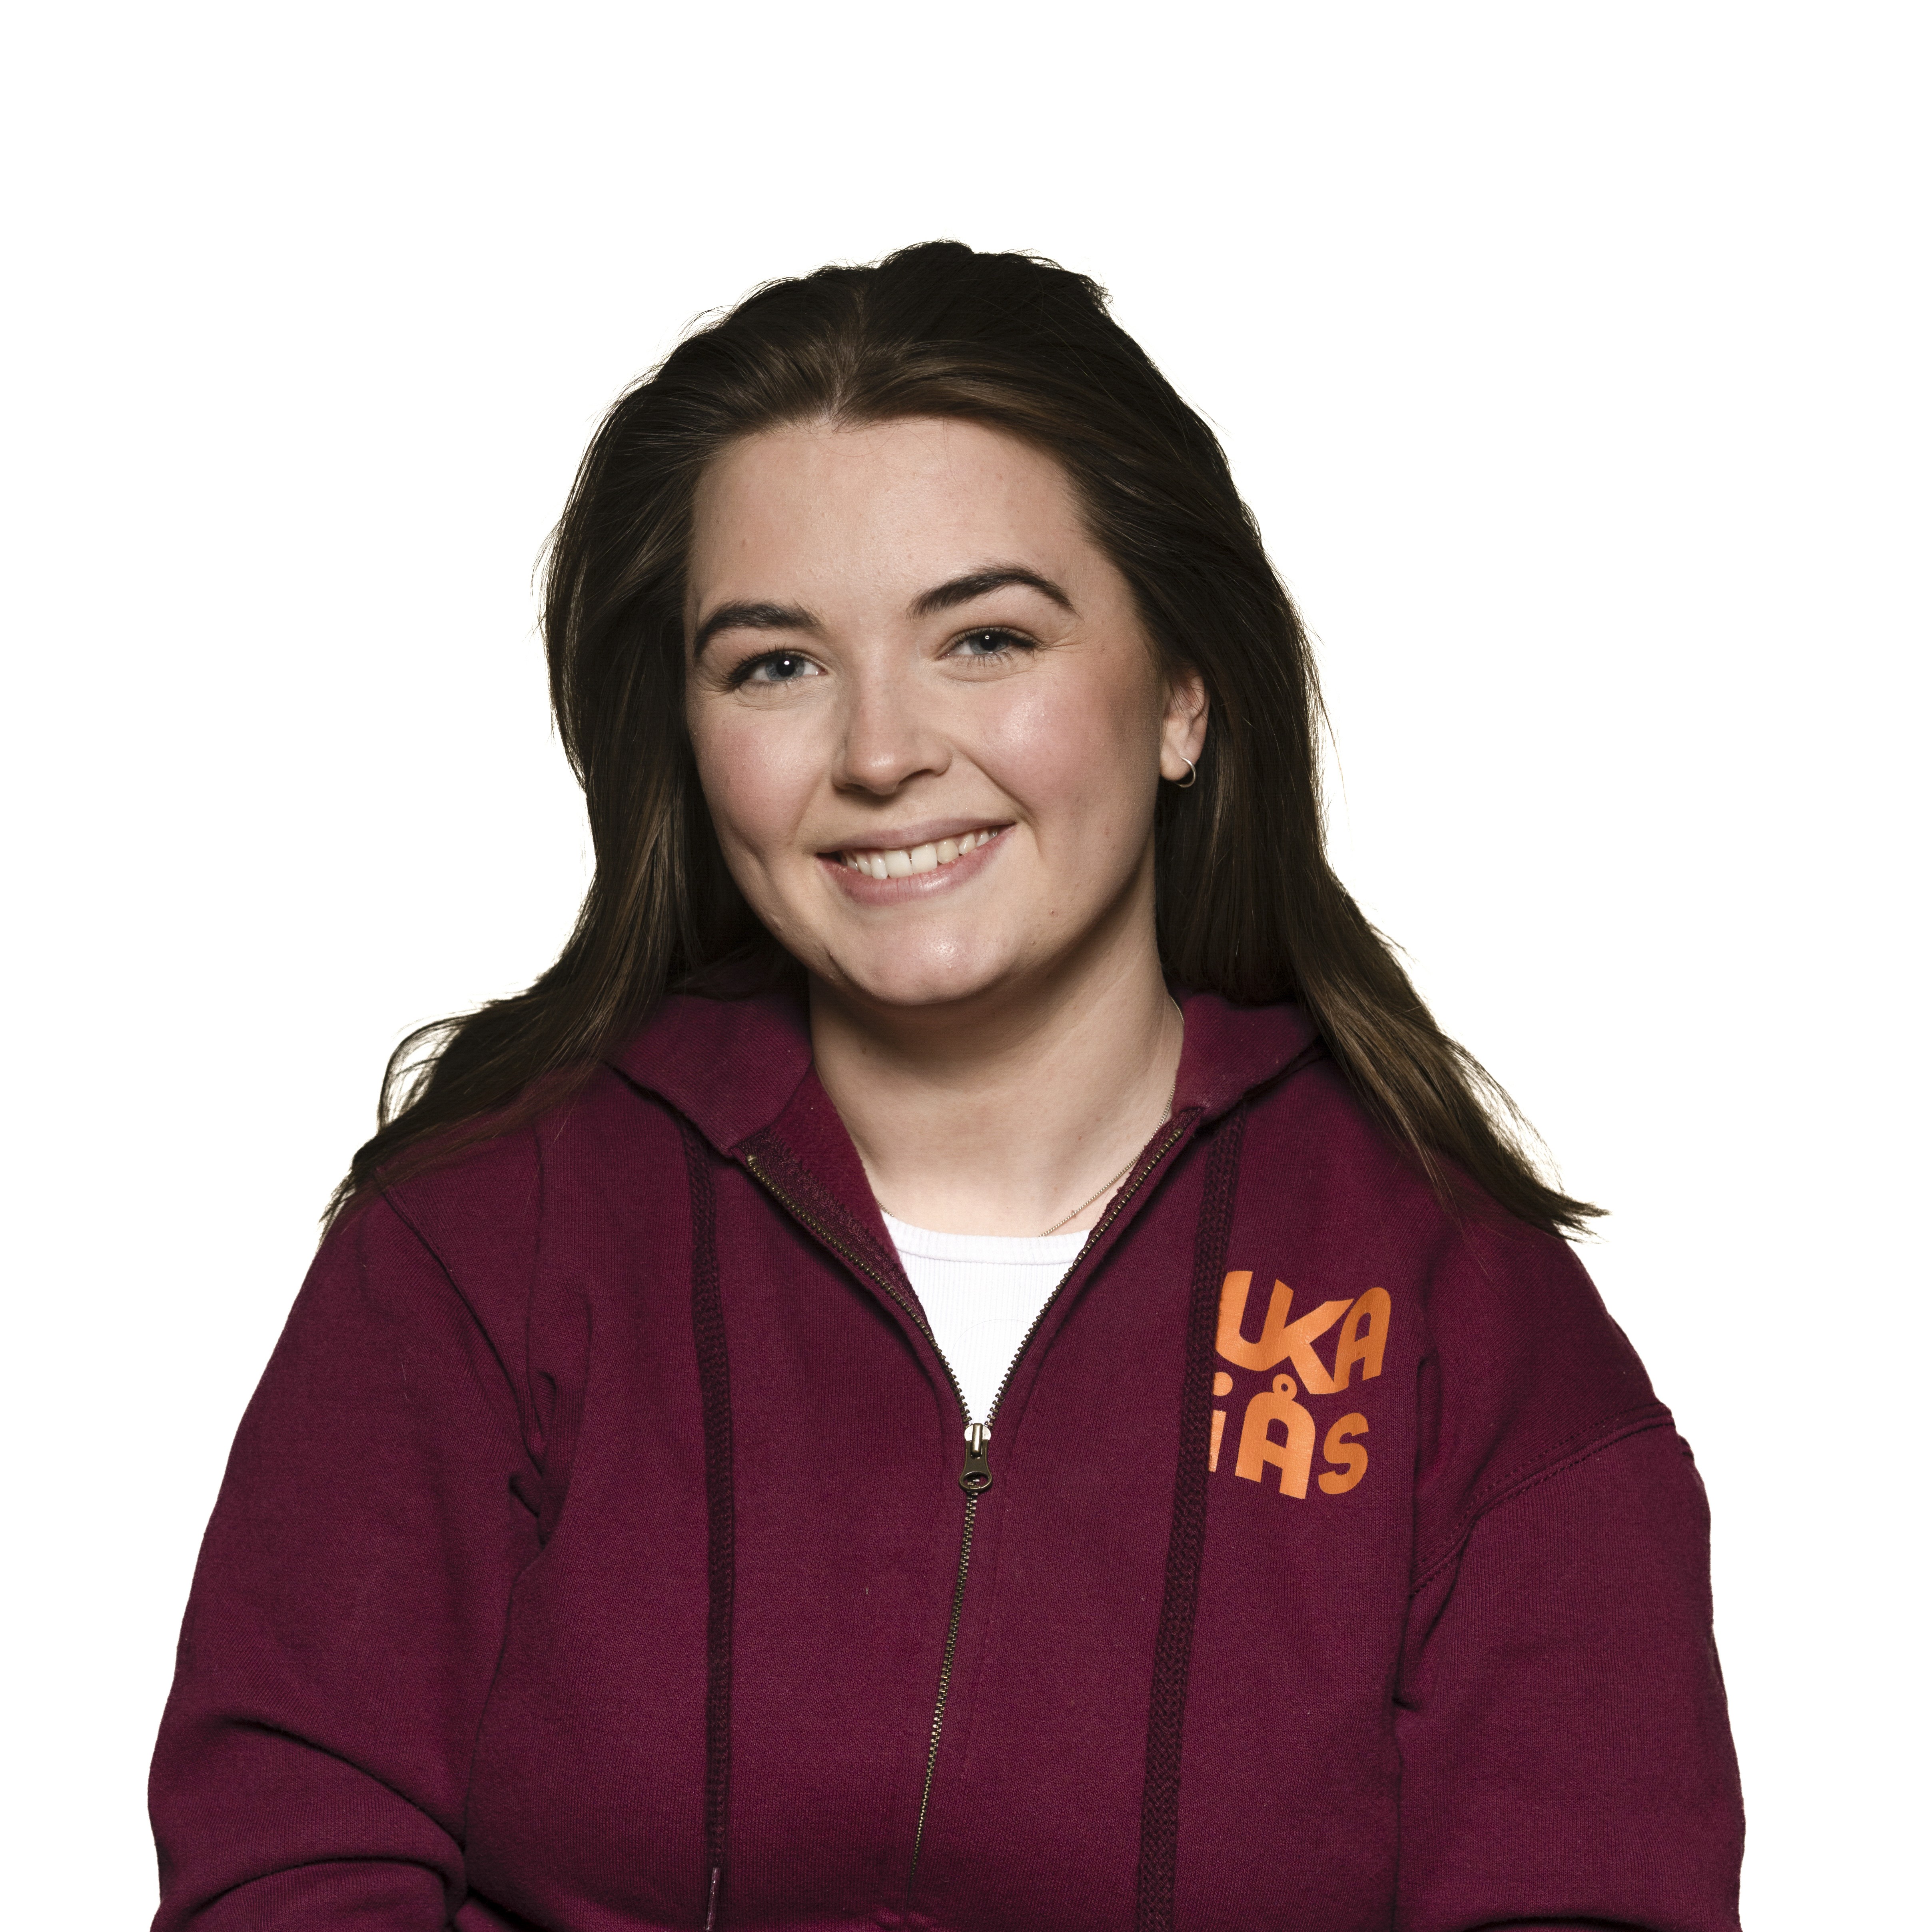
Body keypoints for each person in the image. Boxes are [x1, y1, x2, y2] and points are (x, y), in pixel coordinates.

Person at [149, 242, 1744, 1932]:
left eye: (985, 638)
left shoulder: (1467, 1316)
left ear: (1183, 693)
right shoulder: (481, 1240)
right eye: (775, 663)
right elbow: (287, 1867)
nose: (881, 751)